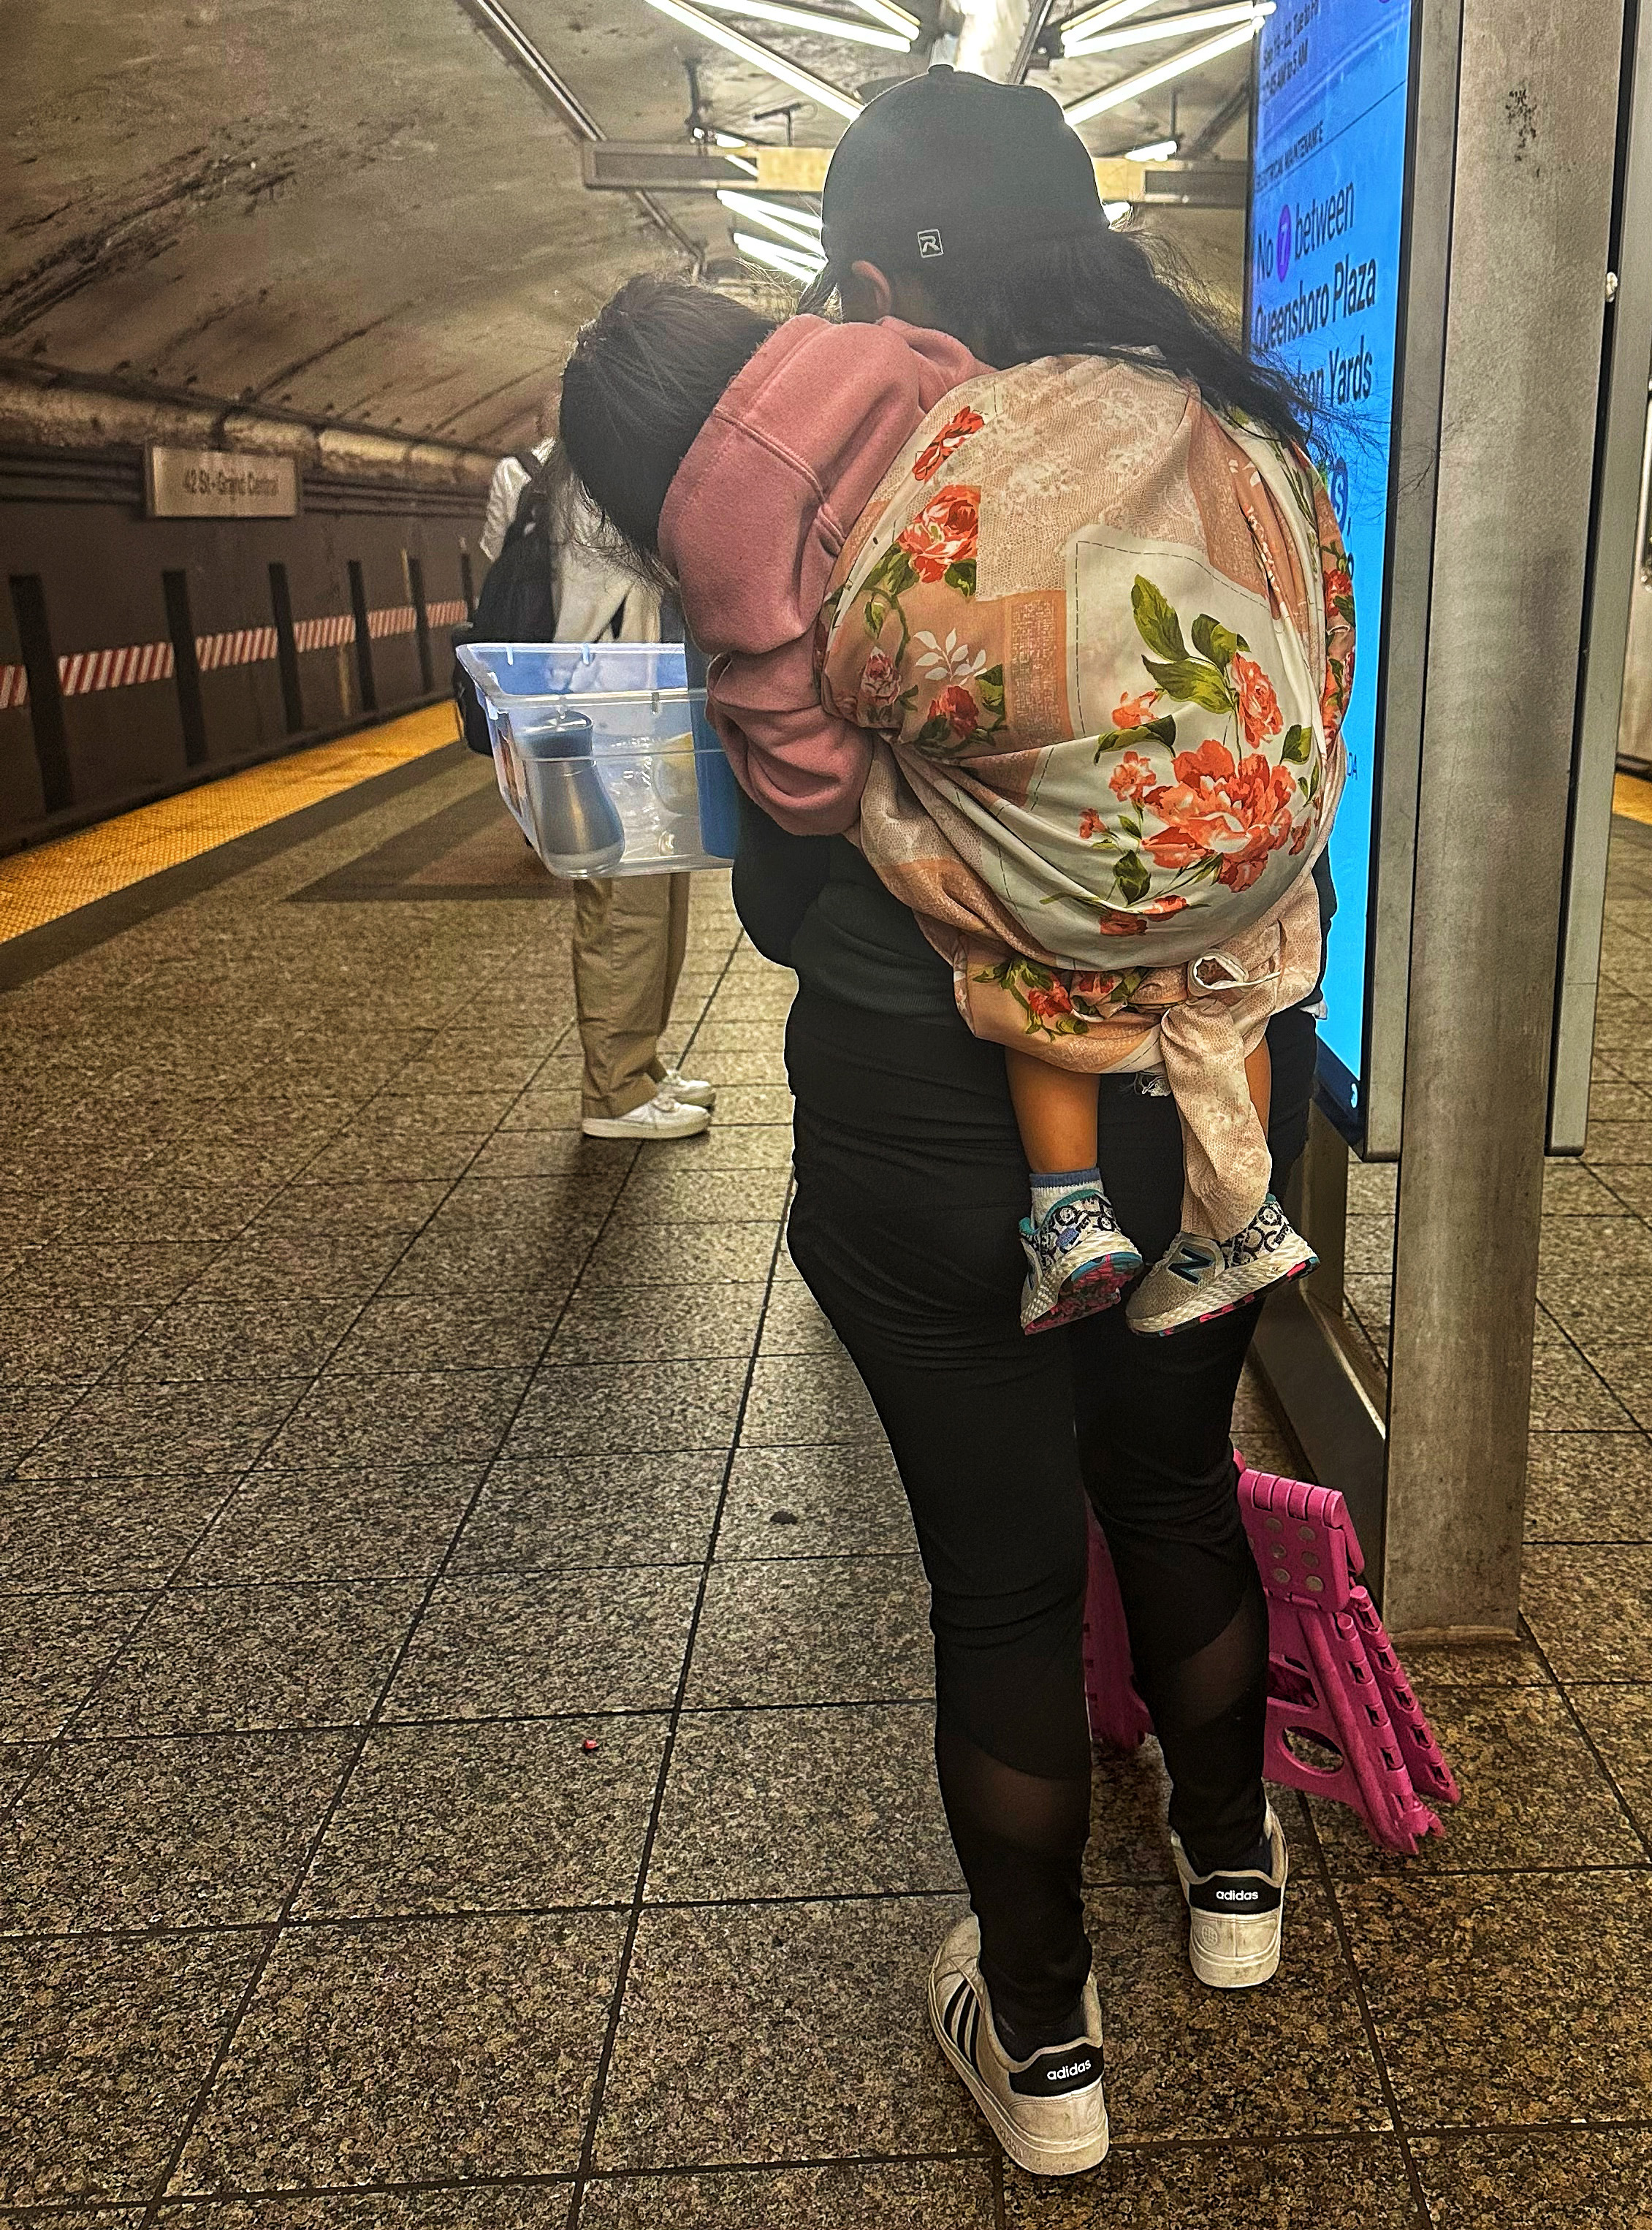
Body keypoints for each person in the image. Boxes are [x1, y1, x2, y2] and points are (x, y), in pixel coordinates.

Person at [557, 67, 1340, 2178]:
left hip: (918, 1123)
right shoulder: (1230, 436)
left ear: (894, 273)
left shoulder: (884, 492)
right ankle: (1234, 1875)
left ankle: (1049, 2053)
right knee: (1174, 1491)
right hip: (1197, 1085)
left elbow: (797, 888)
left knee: (1000, 1586)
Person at [479, 434, 717, 1137]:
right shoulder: (597, 477)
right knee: (623, 904)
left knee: (658, 891)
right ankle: (611, 1091)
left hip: (640, 706)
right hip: (609, 713)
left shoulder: (588, 468)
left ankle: (637, 1062)